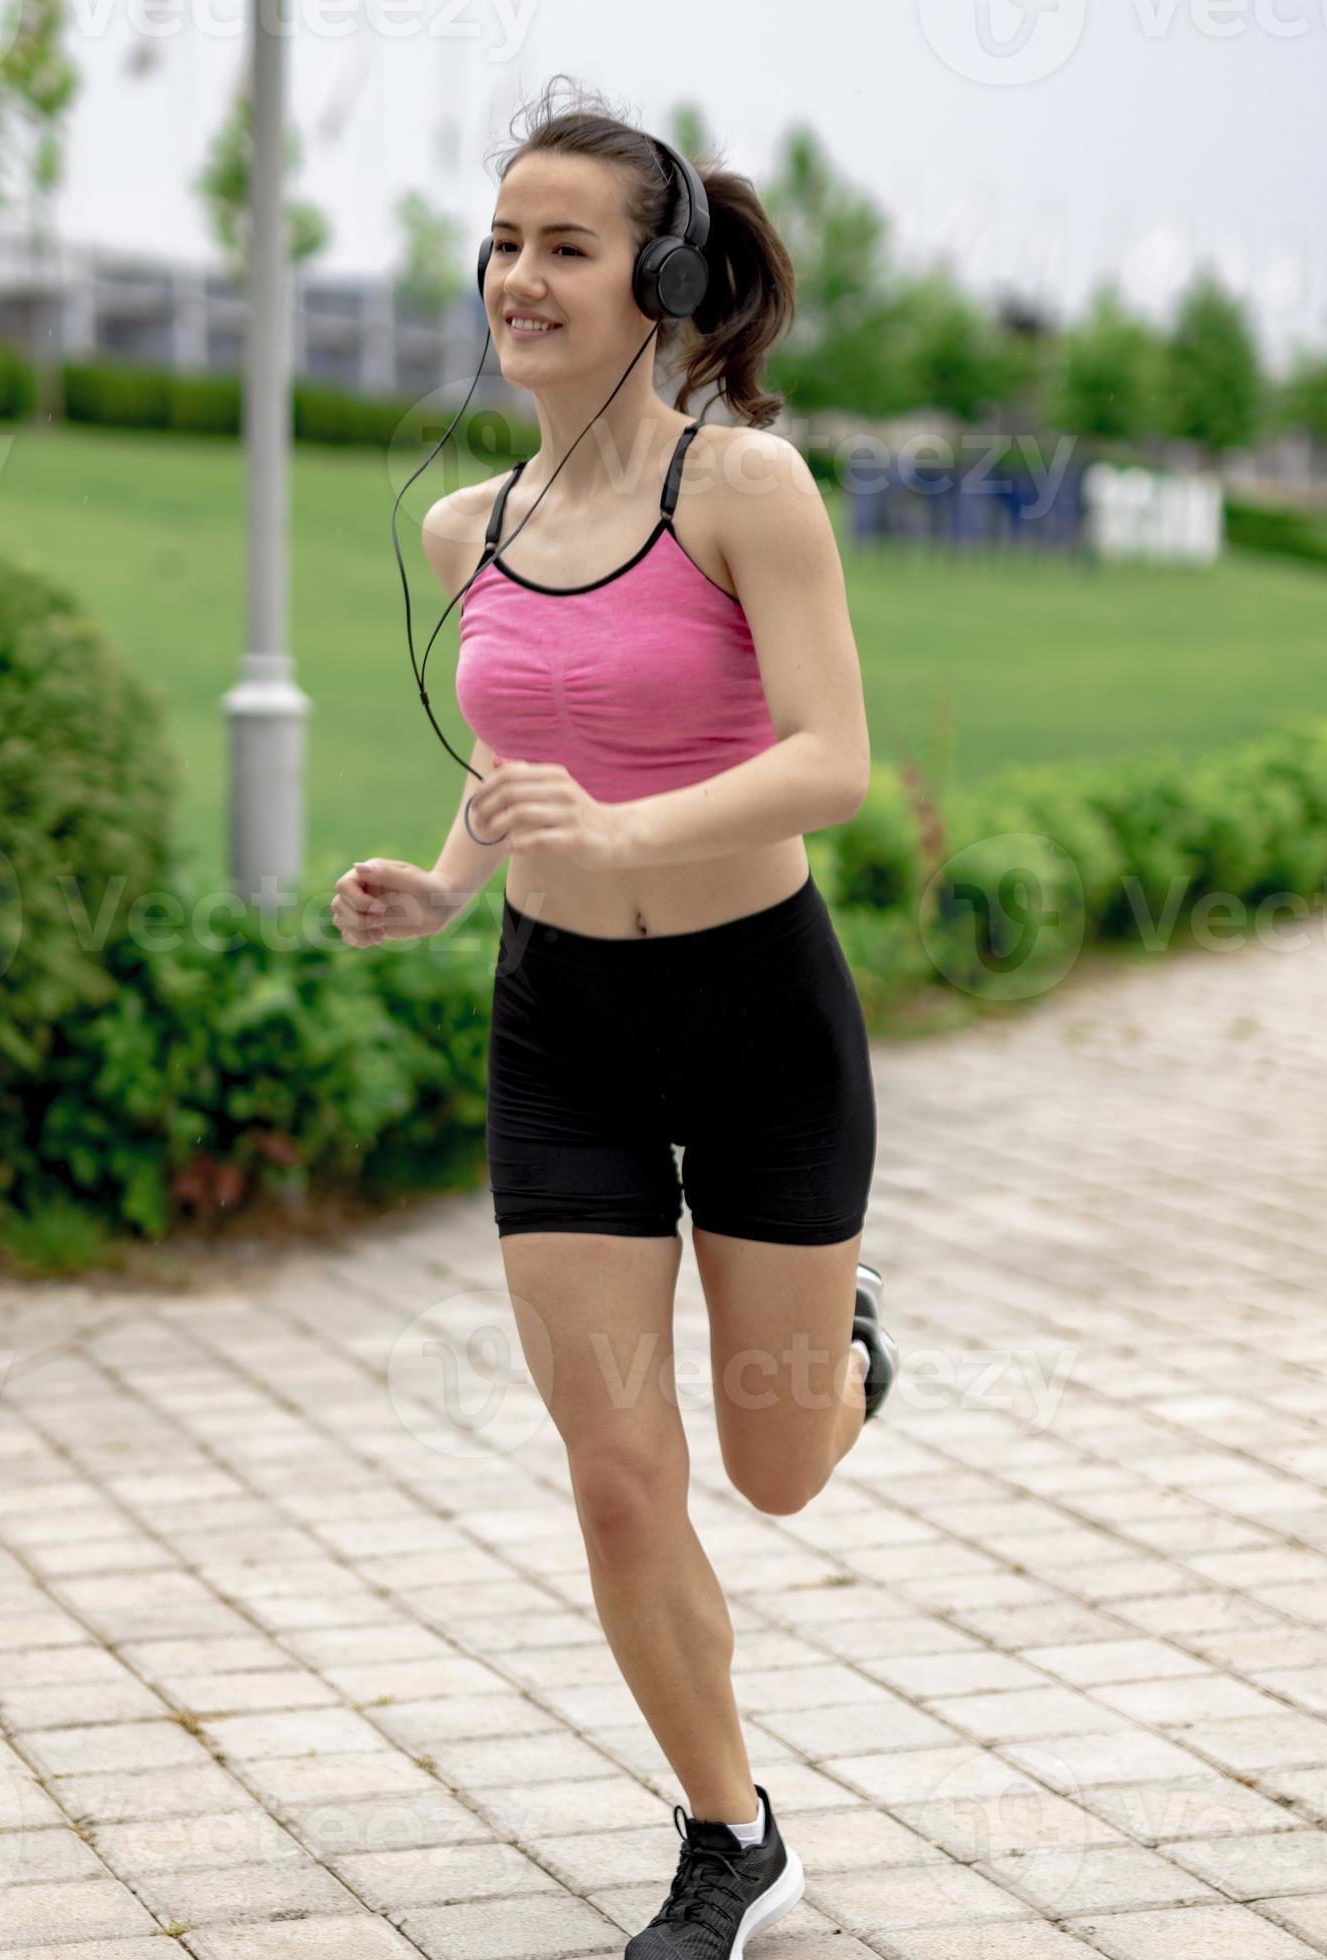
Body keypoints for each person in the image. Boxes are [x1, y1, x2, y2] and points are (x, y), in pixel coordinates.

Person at [331, 81, 895, 1960]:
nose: (519, 277)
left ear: (659, 282)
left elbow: (833, 760)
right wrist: (448, 884)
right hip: (560, 1025)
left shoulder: (744, 491)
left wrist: (631, 830)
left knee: (776, 1469)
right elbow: (519, 756)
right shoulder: (461, 530)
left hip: (758, 1016)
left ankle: (848, 1346)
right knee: (617, 1472)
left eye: (564, 246)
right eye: (501, 243)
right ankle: (731, 1834)